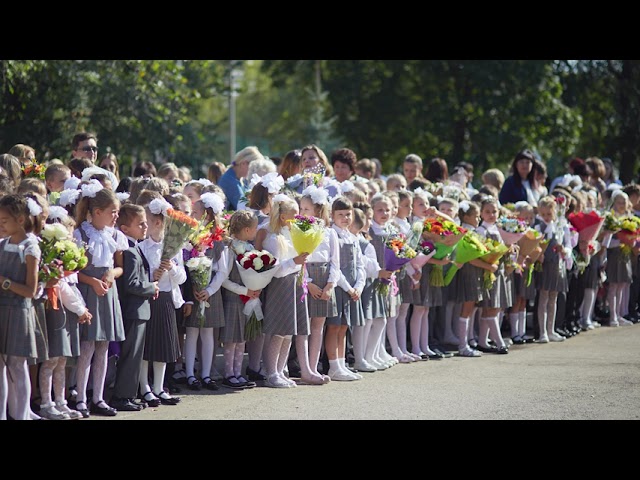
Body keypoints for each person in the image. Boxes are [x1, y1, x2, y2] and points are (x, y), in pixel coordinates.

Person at [72, 185, 127, 417]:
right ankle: (81, 398)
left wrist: (111, 274)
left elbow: (120, 267)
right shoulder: (80, 234)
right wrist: (93, 281)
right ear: (96, 212)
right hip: (88, 292)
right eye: (112, 211)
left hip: (108, 293)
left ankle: (99, 397)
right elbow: (73, 270)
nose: (116, 216)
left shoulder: (114, 235)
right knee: (87, 347)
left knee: (103, 346)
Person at [255, 194, 309, 388]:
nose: (298, 216)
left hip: (293, 282)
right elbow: (275, 269)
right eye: (295, 213)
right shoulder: (273, 237)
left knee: (288, 333)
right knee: (279, 331)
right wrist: (294, 262)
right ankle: (271, 373)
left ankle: (280, 369)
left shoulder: (292, 233)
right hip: (281, 284)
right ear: (284, 216)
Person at [110, 204, 159, 412]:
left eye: (146, 223)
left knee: (135, 355)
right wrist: (151, 287)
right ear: (125, 229)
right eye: (140, 224)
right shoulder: (129, 251)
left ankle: (128, 394)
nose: (145, 227)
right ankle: (122, 396)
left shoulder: (135, 246)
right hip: (134, 309)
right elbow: (131, 284)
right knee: (130, 356)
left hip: (139, 309)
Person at [137, 198, 186, 406]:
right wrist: (152, 275)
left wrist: (171, 268)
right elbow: (137, 275)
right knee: (146, 347)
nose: (145, 225)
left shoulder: (174, 246)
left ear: (158, 223)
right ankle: (144, 387)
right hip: (147, 298)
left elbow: (182, 277)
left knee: (163, 347)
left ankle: (158, 386)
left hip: (165, 298)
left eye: (147, 220)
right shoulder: (141, 247)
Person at [0, 195, 41, 420]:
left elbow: (30, 290)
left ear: (21, 219)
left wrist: (4, 282)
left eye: (5, 220)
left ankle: (22, 415)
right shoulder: (2, 244)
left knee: (17, 364)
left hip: (18, 310)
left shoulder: (30, 247)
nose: (1, 224)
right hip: (1, 308)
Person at [184, 193, 227, 391]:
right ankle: (190, 374)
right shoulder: (189, 238)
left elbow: (222, 270)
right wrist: (194, 287)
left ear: (207, 215)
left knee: (208, 333)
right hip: (193, 291)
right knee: (191, 333)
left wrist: (209, 290)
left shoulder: (218, 241)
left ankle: (206, 374)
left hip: (210, 293)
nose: (192, 215)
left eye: (196, 212)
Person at [297, 185, 338, 384]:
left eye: (306, 209)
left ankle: (313, 367)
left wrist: (330, 285)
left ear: (318, 210)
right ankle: (305, 368)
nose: (302, 213)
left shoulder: (330, 233)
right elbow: (298, 260)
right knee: (304, 326)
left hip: (325, 280)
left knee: (318, 326)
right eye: (301, 208)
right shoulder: (298, 230)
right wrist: (308, 283)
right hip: (307, 279)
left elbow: (335, 262)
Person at [325, 197, 365, 380]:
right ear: (332, 216)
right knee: (333, 327)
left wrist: (359, 286)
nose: (345, 218)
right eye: (340, 214)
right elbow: (336, 267)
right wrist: (349, 288)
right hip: (339, 287)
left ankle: (342, 364)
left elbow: (360, 265)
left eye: (348, 214)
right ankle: (333, 366)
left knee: (343, 327)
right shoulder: (332, 234)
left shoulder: (353, 237)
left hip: (352, 290)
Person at [221, 210, 262, 389]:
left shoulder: (251, 249)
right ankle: (228, 373)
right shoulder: (230, 250)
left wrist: (257, 286)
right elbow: (224, 279)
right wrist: (244, 289)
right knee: (232, 337)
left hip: (247, 299)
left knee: (242, 338)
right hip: (233, 298)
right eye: (254, 228)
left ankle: (238, 372)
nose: (256, 230)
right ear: (246, 230)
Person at [475, 196, 511, 353]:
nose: (491, 215)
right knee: (492, 307)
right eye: (487, 212)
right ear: (481, 213)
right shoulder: (481, 231)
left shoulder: (500, 229)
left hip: (499, 270)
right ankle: (499, 341)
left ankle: (483, 341)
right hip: (488, 271)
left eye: (494, 211)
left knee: (495, 307)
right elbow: (479, 251)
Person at [533, 195, 570, 342]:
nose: (546, 217)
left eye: (549, 214)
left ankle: (551, 329)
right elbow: (534, 244)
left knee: (553, 297)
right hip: (545, 265)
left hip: (557, 265)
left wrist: (564, 251)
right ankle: (543, 332)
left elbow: (568, 245)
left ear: (555, 212)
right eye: (543, 214)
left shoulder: (561, 226)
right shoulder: (538, 227)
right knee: (543, 297)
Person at [218, 146, 264, 211]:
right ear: (243, 163)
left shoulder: (241, 179)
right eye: (254, 167)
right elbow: (244, 207)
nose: (255, 170)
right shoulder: (229, 181)